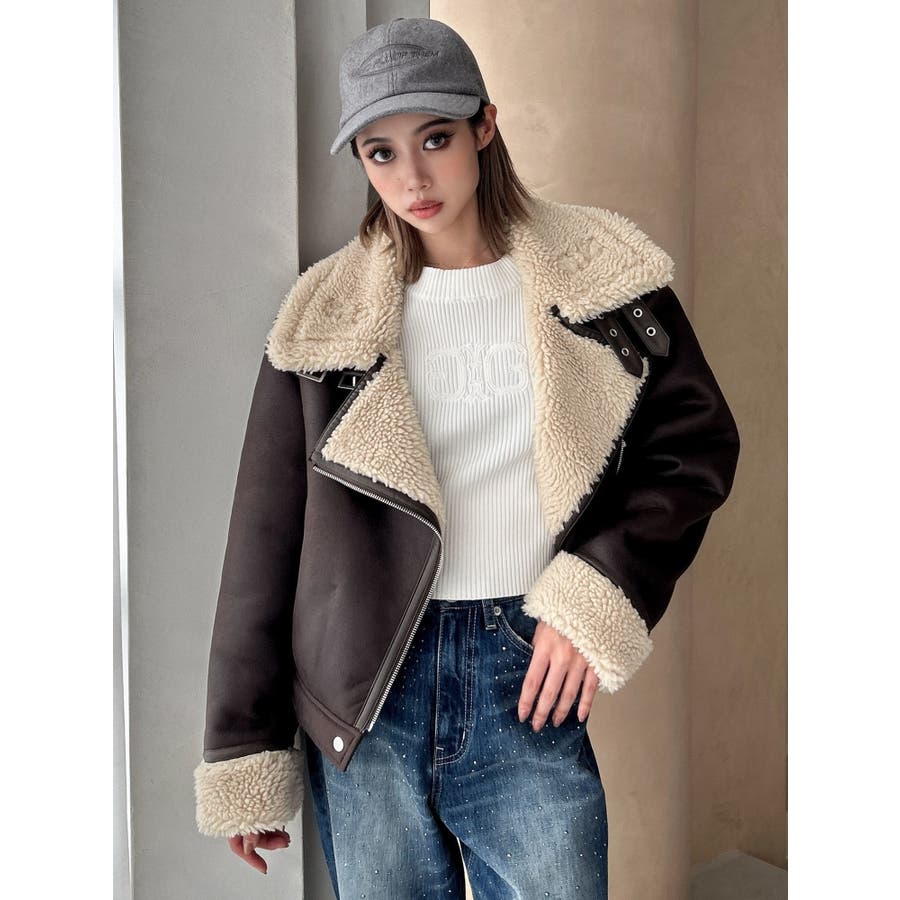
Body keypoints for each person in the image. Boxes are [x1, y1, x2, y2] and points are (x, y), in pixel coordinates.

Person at [193, 16, 740, 899]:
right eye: (380, 152)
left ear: (485, 125)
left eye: (435, 138)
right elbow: (264, 544)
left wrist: (597, 591)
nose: (412, 179)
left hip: (523, 667)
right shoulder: (323, 321)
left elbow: (692, 446)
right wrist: (244, 748)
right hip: (365, 695)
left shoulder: (602, 281)